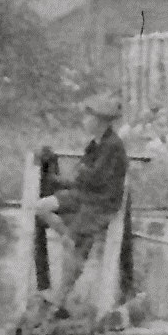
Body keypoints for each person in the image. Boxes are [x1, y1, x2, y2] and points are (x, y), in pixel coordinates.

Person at [54, 99, 130, 307]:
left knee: (75, 244)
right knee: (73, 240)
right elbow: (83, 172)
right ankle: (63, 297)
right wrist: (77, 177)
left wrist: (81, 175)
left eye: (90, 117)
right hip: (89, 199)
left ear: (101, 122)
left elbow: (96, 177)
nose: (85, 121)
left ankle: (62, 296)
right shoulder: (94, 145)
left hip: (102, 204)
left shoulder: (112, 146)